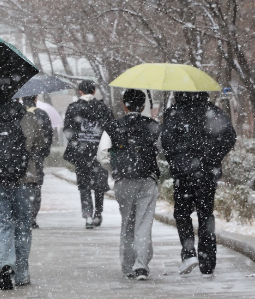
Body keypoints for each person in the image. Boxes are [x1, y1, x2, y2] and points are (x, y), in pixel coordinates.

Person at [161, 91, 236, 278]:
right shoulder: (213, 112)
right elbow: (229, 137)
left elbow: (166, 142)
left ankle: (188, 254)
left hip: (183, 174)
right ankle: (207, 261)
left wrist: (177, 161)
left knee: (182, 213)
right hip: (206, 175)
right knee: (205, 215)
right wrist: (211, 159)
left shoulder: (173, 113)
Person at [97, 89, 160, 280]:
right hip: (147, 179)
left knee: (127, 222)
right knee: (143, 223)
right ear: (143, 106)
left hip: (124, 180)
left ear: (124, 105)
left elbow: (102, 155)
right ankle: (141, 265)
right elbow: (160, 150)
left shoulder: (113, 126)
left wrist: (114, 169)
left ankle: (127, 266)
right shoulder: (153, 126)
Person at [0, 99, 46, 290]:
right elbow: (39, 147)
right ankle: (21, 273)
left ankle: (4, 264)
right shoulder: (30, 119)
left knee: (2, 226)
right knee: (23, 226)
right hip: (24, 180)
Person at [62, 80, 114, 229]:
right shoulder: (102, 107)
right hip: (100, 152)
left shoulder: (73, 108)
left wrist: (77, 144)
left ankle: (88, 216)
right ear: (94, 90)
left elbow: (67, 130)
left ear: (80, 91)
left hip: (81, 154)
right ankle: (98, 213)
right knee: (99, 185)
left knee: (84, 186)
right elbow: (110, 129)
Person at [20, 95, 53, 229]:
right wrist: (44, 152)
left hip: (20, 156)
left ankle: (22, 214)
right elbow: (49, 136)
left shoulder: (18, 113)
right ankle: (32, 216)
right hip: (37, 157)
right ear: (35, 99)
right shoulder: (42, 114)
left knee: (21, 185)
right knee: (36, 185)